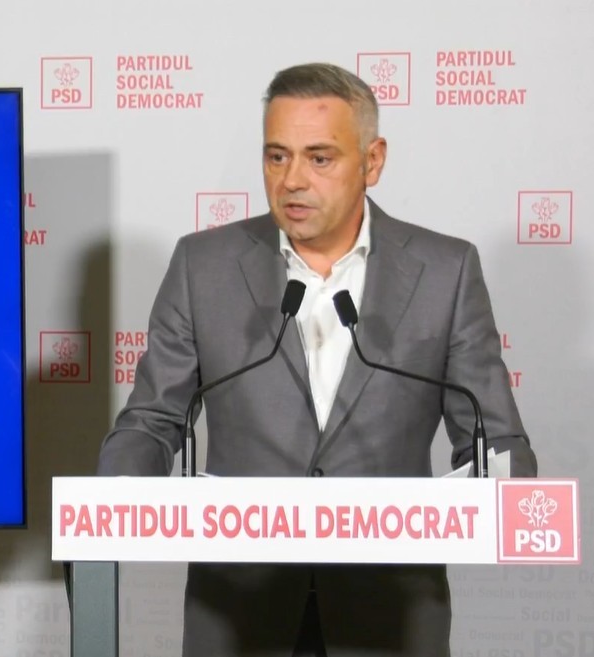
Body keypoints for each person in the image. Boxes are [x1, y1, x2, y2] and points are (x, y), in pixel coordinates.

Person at [97, 62, 537, 657]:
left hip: (389, 615)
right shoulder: (203, 267)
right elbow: (152, 420)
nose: (292, 180)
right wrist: (111, 499)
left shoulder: (446, 271)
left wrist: (511, 497)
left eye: (319, 158)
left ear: (373, 161)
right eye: (276, 156)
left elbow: (494, 439)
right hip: (238, 611)